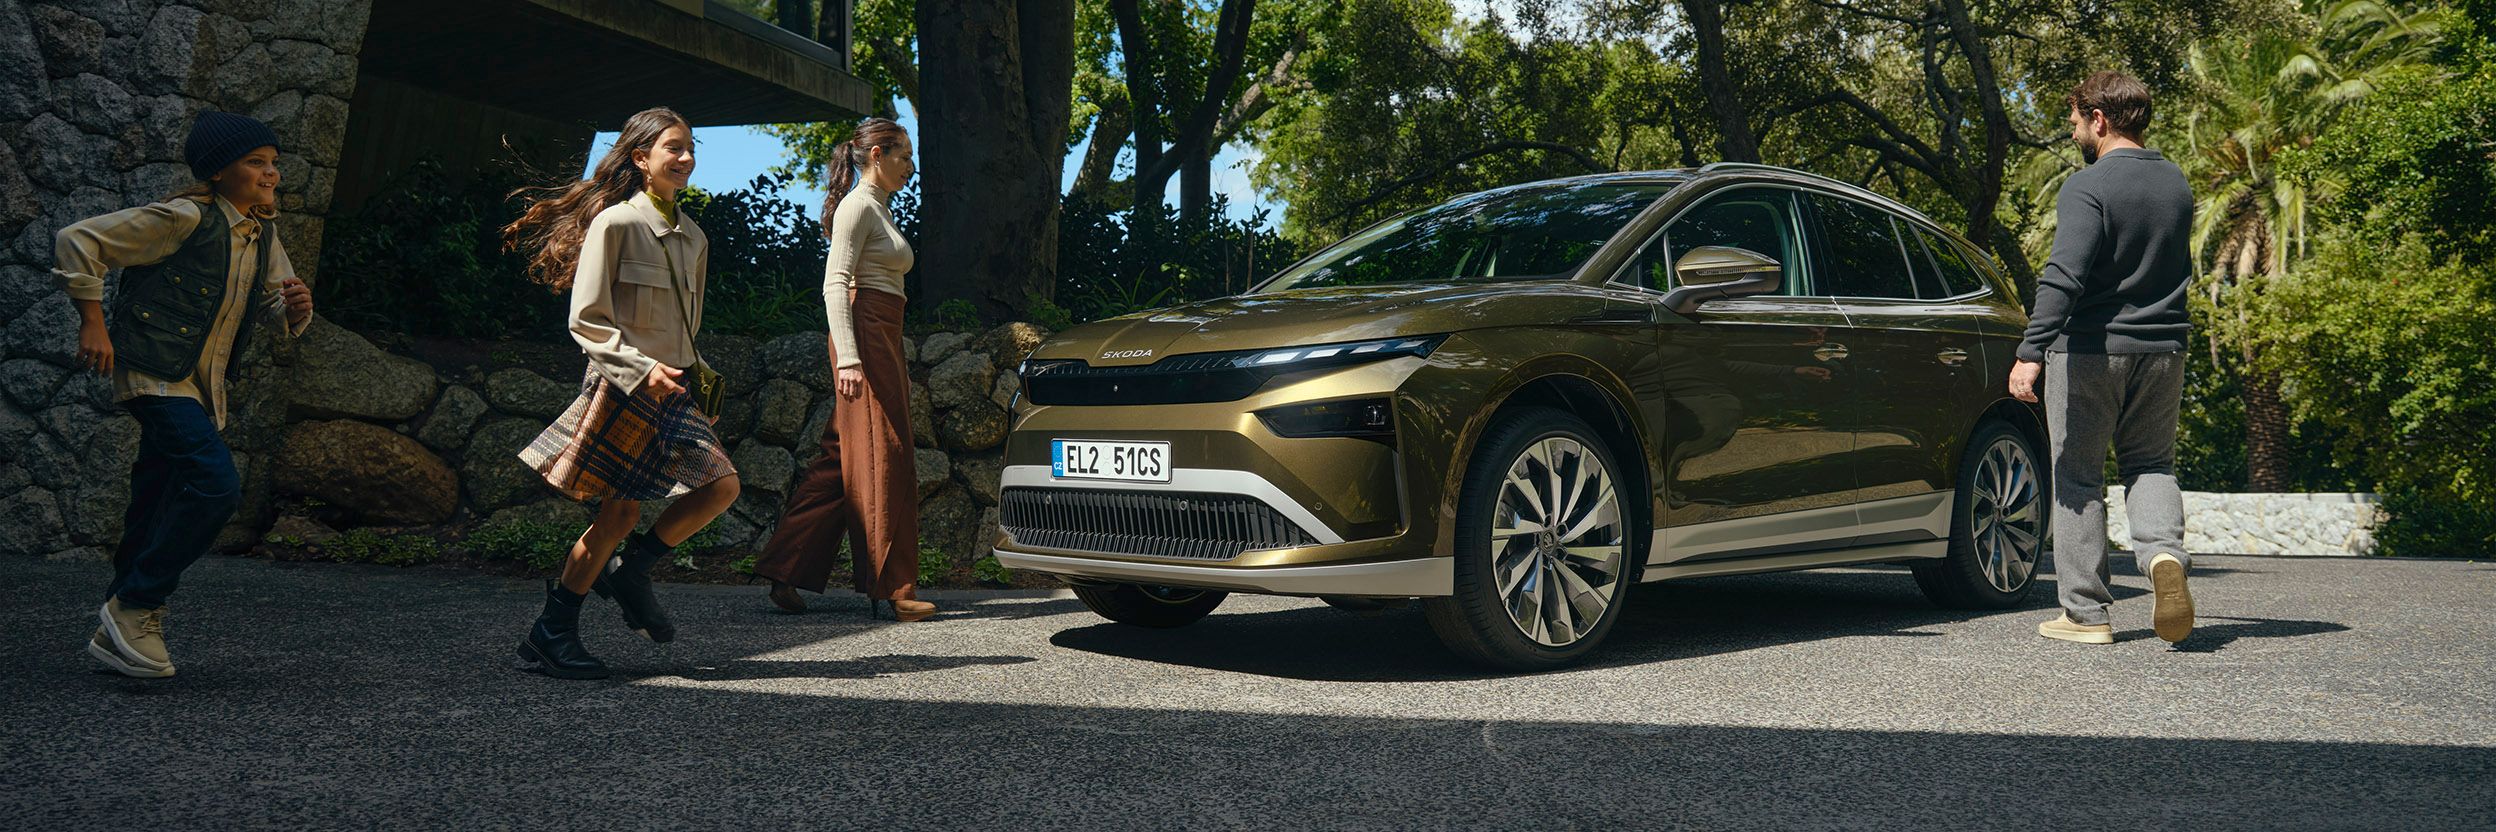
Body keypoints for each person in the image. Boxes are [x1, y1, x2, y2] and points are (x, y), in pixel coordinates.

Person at [53, 111, 316, 679]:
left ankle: (112, 633)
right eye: (255, 162)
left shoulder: (261, 231)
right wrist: (91, 323)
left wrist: (293, 310)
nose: (271, 173)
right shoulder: (182, 217)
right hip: (155, 375)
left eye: (274, 163)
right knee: (215, 486)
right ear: (219, 171)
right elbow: (78, 241)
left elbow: (271, 304)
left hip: (201, 387)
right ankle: (138, 606)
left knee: (154, 502)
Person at [504, 107, 742, 679]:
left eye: (690, 149)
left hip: (674, 388)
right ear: (641, 158)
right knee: (617, 517)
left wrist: (696, 368)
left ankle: (632, 571)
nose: (685, 158)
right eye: (674, 148)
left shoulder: (696, 238)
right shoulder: (615, 224)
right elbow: (586, 320)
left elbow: (686, 325)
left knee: (720, 486)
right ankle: (553, 631)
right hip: (623, 386)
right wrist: (640, 368)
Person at [2008, 71, 2198, 645]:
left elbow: (2063, 276)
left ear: (2100, 119)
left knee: (2078, 476)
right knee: (2151, 466)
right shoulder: (2176, 183)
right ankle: (2165, 560)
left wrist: (2030, 350)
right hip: (2164, 349)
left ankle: (2086, 615)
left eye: (2074, 123)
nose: (2073, 135)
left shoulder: (2089, 186)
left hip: (2090, 350)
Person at [752, 117, 934, 622]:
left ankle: (785, 568)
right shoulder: (858, 206)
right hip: (865, 333)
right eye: (904, 156)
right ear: (877, 154)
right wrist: (851, 357)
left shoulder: (879, 206)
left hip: (883, 331)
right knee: (886, 451)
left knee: (845, 457)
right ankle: (894, 587)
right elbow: (836, 283)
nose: (910, 167)